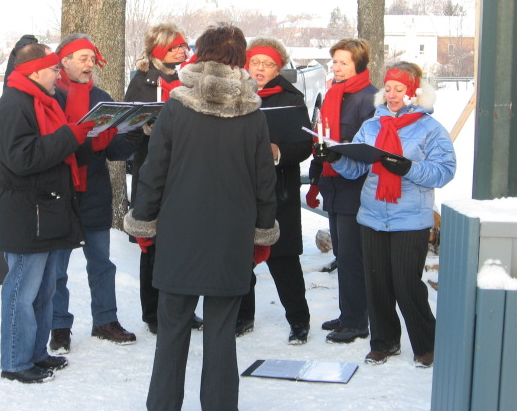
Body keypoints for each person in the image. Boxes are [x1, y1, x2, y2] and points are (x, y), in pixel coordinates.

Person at [123, 24, 279, 411]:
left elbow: (152, 174)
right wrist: (262, 235)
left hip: (180, 236)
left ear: (200, 55)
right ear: (240, 60)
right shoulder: (253, 115)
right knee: (222, 337)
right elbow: (265, 183)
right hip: (231, 238)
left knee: (171, 333)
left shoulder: (176, 107)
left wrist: (144, 224)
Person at [323, 61, 456, 367]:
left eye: (400, 90)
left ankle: (426, 344)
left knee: (407, 285)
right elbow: (356, 167)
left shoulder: (430, 129)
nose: (392, 95)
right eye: (389, 89)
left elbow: (445, 171)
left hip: (410, 219)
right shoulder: (371, 125)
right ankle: (384, 342)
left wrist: (409, 168)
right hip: (372, 216)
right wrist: (336, 157)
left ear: (415, 93)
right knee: (377, 282)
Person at [0, 43, 95, 383]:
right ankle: (16, 363)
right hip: (26, 215)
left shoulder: (41, 102)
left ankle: (35, 354)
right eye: (53, 69)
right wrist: (69, 136)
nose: (57, 74)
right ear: (34, 71)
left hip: (45, 212)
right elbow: (22, 158)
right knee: (22, 291)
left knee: (44, 290)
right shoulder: (13, 106)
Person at [48, 34, 141, 353]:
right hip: (60, 195)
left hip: (94, 193)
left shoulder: (101, 97)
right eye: (83, 58)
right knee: (56, 268)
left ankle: (105, 320)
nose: (90, 64)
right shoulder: (49, 97)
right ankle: (58, 325)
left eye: (92, 58)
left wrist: (132, 134)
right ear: (64, 61)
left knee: (102, 263)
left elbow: (114, 150)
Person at [124, 23, 203, 335]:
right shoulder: (142, 82)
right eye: (175, 47)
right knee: (152, 245)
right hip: (153, 172)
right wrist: (144, 127)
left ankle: (184, 308)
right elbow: (127, 127)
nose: (183, 51)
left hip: (186, 172)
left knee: (186, 244)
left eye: (184, 45)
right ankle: (153, 313)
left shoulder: (191, 79)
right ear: (159, 51)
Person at [237, 37, 313, 344]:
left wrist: (277, 151)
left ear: (278, 68)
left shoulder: (291, 97)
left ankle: (299, 320)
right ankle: (243, 317)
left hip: (279, 190)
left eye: (268, 64)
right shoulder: (236, 93)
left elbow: (305, 144)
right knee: (241, 258)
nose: (260, 69)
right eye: (255, 62)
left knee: (283, 259)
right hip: (242, 189)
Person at [306, 38, 378, 344]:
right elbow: (321, 134)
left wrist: (340, 155)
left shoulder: (369, 97)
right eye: (334, 61)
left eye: (343, 62)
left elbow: (369, 147)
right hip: (332, 181)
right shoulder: (333, 93)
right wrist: (317, 172)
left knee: (352, 256)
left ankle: (357, 321)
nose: (336, 67)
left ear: (359, 65)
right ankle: (347, 312)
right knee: (341, 252)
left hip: (356, 185)